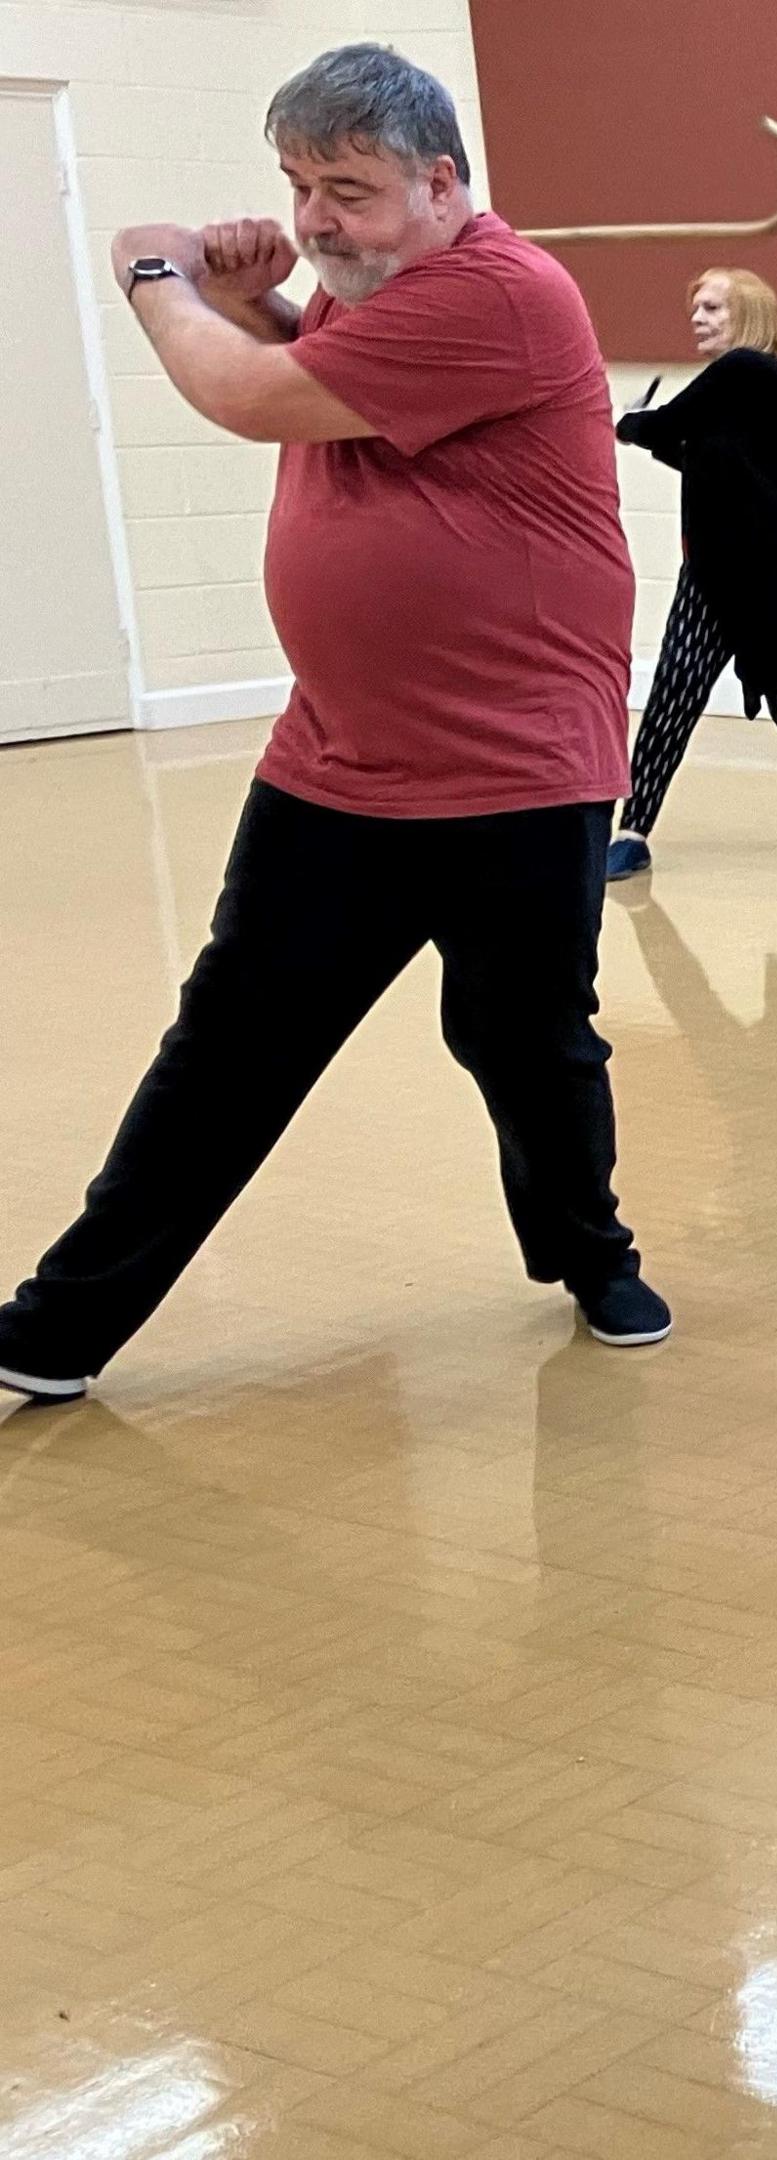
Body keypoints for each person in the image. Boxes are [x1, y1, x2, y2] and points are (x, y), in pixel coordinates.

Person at [0, 44, 664, 1408]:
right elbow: (318, 373)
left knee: (524, 1040)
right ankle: (54, 1331)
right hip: (341, 759)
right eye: (298, 185)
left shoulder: (500, 292)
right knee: (230, 1044)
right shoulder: (395, 294)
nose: (313, 219)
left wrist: (159, 275)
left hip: (514, 770)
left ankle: (589, 1252)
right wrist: (263, 303)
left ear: (440, 183)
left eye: (347, 191)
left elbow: (254, 402)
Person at [608, 266, 777, 880]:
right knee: (674, 692)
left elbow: (665, 428)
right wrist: (649, 434)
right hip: (715, 572)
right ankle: (633, 830)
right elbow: (696, 456)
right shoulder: (733, 392)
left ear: (749, 315)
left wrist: (630, 424)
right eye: (697, 308)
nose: (698, 318)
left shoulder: (747, 371)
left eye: (713, 308)